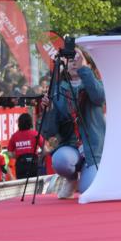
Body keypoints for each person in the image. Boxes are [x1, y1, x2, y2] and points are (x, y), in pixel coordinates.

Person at [40, 49, 105, 198]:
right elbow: (50, 130)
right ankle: (71, 179)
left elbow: (98, 98)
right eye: (71, 60)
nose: (75, 62)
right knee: (60, 161)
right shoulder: (57, 89)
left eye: (79, 59)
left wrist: (84, 71)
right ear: (65, 65)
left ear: (88, 65)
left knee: (88, 190)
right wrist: (49, 110)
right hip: (70, 145)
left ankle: (90, 176)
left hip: (93, 148)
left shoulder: (97, 84)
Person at [7, 112, 43, 180]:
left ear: (19, 123)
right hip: (33, 163)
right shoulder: (35, 134)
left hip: (21, 164)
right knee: (34, 184)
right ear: (30, 123)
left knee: (22, 185)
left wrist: (18, 155)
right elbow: (45, 148)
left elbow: (9, 154)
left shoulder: (15, 136)